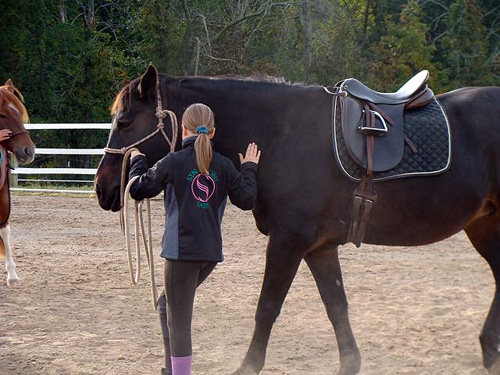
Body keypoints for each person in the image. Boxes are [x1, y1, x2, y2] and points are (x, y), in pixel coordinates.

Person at [128, 103, 261, 375]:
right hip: (208, 253)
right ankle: (171, 369)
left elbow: (139, 189)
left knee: (179, 320)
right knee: (167, 306)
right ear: (212, 133)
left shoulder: (173, 161)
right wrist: (249, 168)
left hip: (181, 254)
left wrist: (136, 162)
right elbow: (246, 199)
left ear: (183, 130)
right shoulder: (223, 165)